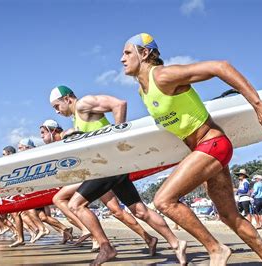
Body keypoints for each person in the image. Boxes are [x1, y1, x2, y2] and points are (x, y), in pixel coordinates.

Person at [121, 33, 262, 265]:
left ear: (144, 53)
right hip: (205, 150)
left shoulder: (163, 76)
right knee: (229, 216)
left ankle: (215, 249)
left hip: (213, 144)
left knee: (163, 200)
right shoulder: (142, 91)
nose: (122, 59)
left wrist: (257, 104)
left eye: (127, 53)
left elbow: (220, 66)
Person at [50, 86, 187, 265]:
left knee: (76, 204)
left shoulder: (83, 104)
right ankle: (176, 243)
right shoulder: (78, 117)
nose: (56, 111)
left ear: (67, 99)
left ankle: (106, 247)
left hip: (108, 165)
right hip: (112, 166)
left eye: (56, 106)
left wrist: (117, 139)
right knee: (140, 210)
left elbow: (119, 104)